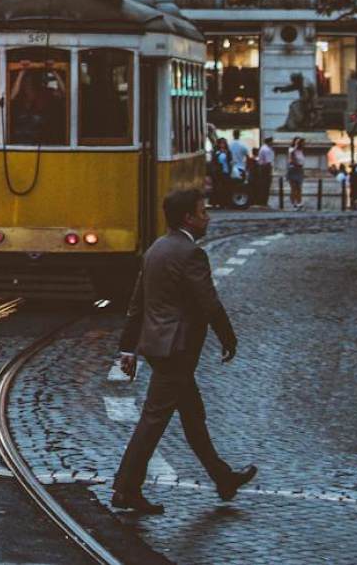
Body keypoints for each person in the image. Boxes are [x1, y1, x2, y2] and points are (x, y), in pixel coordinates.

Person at [111, 186, 256, 514]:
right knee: (153, 420)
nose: (208, 217)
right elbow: (208, 302)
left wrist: (127, 348)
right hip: (178, 349)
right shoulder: (191, 254)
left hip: (160, 347)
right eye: (203, 212)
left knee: (193, 417)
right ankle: (125, 489)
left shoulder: (156, 249)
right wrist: (228, 337)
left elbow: (138, 304)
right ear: (188, 218)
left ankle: (223, 478)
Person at [286, 138, 307, 210]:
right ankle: (293, 204)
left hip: (300, 170)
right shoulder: (291, 149)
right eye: (302, 143)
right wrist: (296, 145)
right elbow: (290, 160)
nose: (303, 144)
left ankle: (299, 203)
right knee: (294, 188)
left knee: (299, 188)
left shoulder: (301, 151)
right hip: (293, 169)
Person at [254, 141, 275, 207]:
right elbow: (268, 162)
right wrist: (270, 172)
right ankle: (263, 202)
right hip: (265, 169)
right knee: (265, 186)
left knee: (263, 186)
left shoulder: (263, 148)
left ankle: (262, 201)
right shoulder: (266, 149)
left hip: (263, 168)